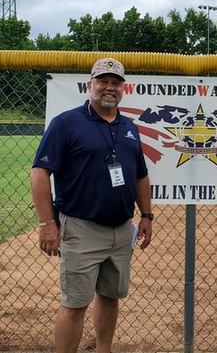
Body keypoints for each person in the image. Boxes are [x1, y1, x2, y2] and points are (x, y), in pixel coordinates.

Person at [30, 57, 153, 353]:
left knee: (111, 297)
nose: (109, 88)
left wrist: (146, 214)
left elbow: (140, 175)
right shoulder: (67, 123)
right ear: (90, 85)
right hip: (81, 227)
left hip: (122, 229)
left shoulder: (129, 127)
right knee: (74, 303)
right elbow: (39, 173)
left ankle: (104, 349)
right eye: (103, 81)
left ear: (123, 88)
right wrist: (47, 224)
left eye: (115, 83)